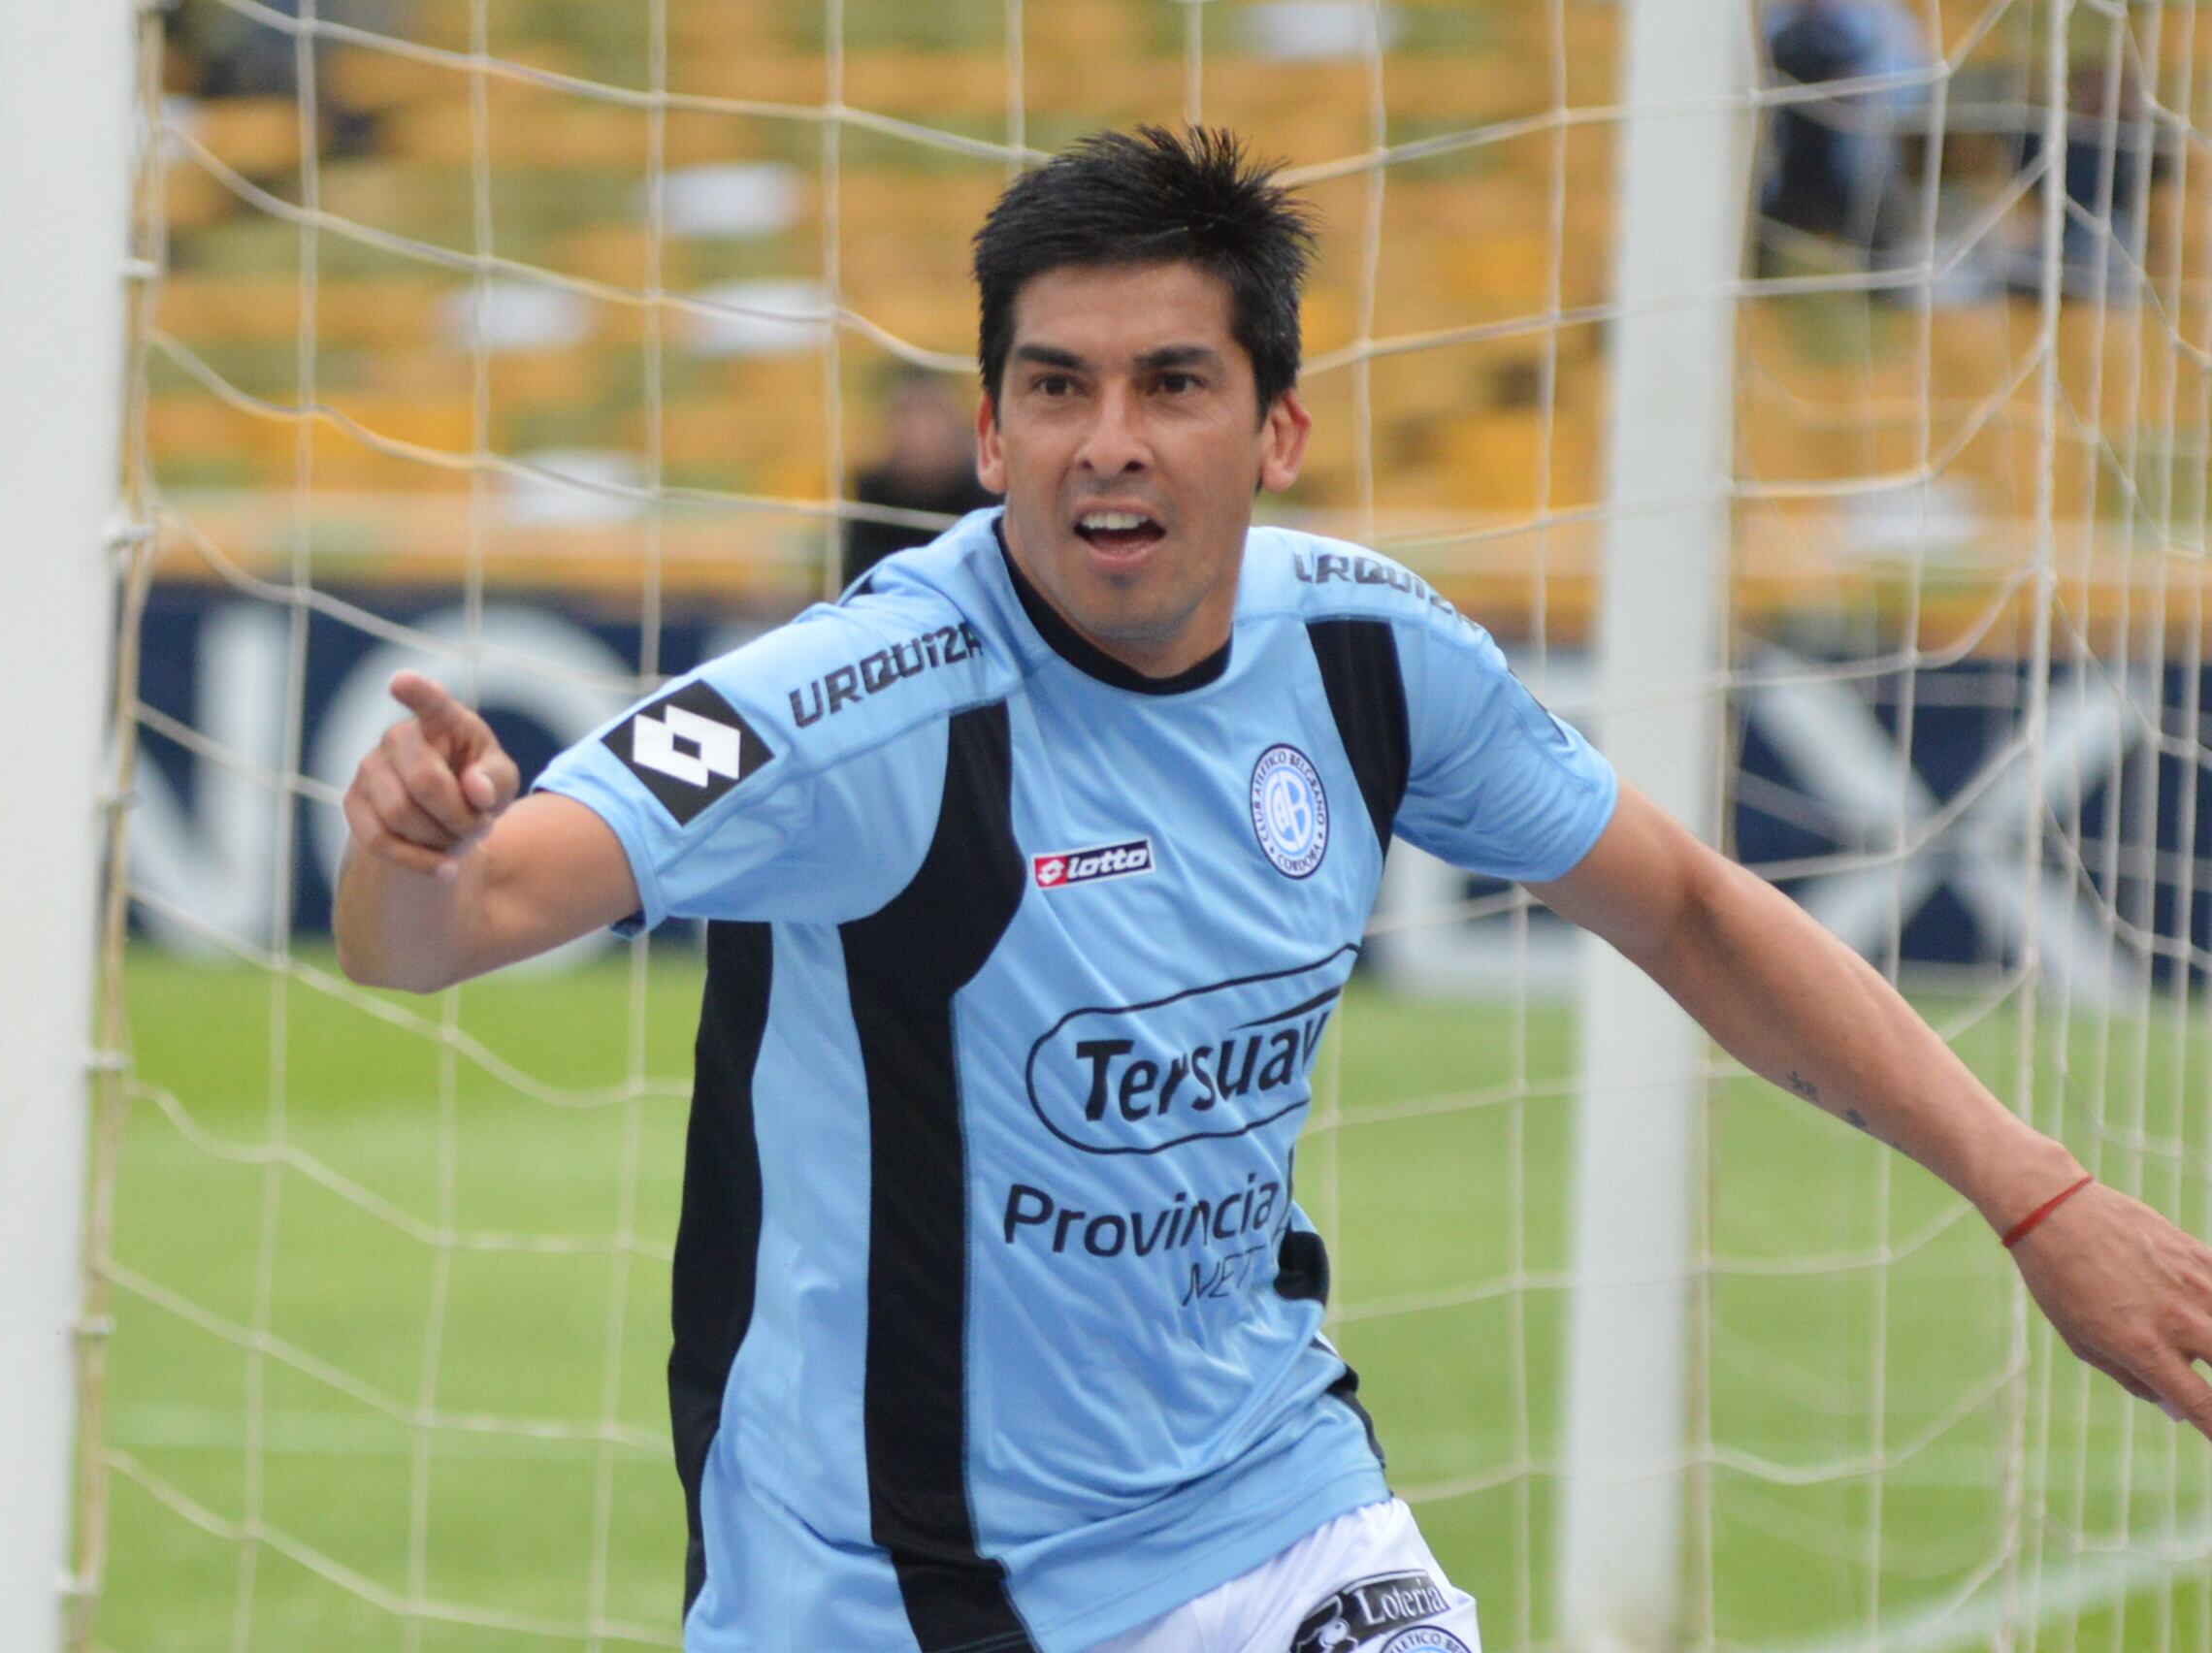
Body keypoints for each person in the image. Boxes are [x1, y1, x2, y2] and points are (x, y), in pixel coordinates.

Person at [335, 127, 2212, 1653]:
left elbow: (1692, 908)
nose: (1110, 442)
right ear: (990, 437)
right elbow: (449, 927)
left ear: (1278, 430)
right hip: (884, 1580)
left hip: (1266, 1507)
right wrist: (407, 850)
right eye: (1054, 390)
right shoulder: (867, 701)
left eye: (1172, 383)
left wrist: (2033, 1194)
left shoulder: (1372, 655)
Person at [1758, 0, 1932, 256]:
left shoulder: (1881, 16)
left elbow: (1912, 86)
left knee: (1877, 240)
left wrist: (1856, 86)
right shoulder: (1771, 14)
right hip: (1781, 166)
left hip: (1855, 169)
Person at [843, 366, 997, 587]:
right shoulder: (868, 499)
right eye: (907, 413)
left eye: (932, 412)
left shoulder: (989, 505)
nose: (921, 430)